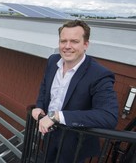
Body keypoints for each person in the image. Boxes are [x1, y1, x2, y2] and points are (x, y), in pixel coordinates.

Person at [32, 19, 118, 162]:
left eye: (74, 41)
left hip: (74, 143)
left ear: (86, 44)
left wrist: (57, 116)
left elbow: (109, 116)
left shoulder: (99, 74)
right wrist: (40, 105)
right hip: (49, 134)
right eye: (63, 41)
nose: (67, 46)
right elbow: (45, 86)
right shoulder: (53, 61)